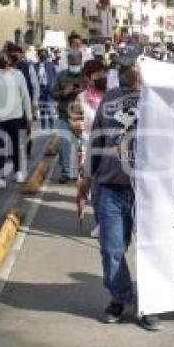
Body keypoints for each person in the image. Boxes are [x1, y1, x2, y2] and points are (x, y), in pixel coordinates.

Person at [77, 60, 161, 331]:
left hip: (148, 192)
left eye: (135, 67)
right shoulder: (110, 98)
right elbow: (96, 139)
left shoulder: (159, 96)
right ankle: (122, 298)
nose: (130, 72)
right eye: (126, 67)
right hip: (110, 187)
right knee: (112, 249)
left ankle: (149, 304)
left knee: (152, 251)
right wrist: (86, 177)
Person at [0, 50, 33, 190]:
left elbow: (25, 96)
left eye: (5, 58)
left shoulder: (18, 75)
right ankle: (0, 179)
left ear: (10, 60)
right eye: (0, 58)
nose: (3, 60)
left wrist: (29, 116)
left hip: (15, 116)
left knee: (16, 145)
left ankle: (18, 171)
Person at [70, 59, 107, 237]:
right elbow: (74, 119)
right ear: (88, 77)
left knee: (105, 189)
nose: (102, 77)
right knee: (91, 189)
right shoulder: (81, 98)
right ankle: (99, 222)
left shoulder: (113, 94)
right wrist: (76, 124)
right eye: (97, 74)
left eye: (104, 73)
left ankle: (105, 223)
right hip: (88, 148)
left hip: (110, 149)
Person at [51, 51, 86, 184]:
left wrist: (82, 90)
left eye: (76, 63)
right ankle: (65, 172)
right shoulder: (61, 75)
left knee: (82, 145)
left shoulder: (86, 76)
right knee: (65, 145)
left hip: (82, 116)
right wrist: (64, 92)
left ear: (81, 61)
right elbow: (53, 93)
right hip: (64, 114)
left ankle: (82, 172)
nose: (74, 66)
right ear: (68, 62)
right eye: (72, 63)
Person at [36, 49, 58, 129]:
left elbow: (55, 76)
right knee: (42, 111)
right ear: (38, 55)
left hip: (49, 90)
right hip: (40, 90)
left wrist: (54, 87)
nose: (43, 55)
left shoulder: (51, 65)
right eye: (41, 54)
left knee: (50, 110)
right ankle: (43, 127)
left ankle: (51, 127)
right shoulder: (35, 65)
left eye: (44, 54)